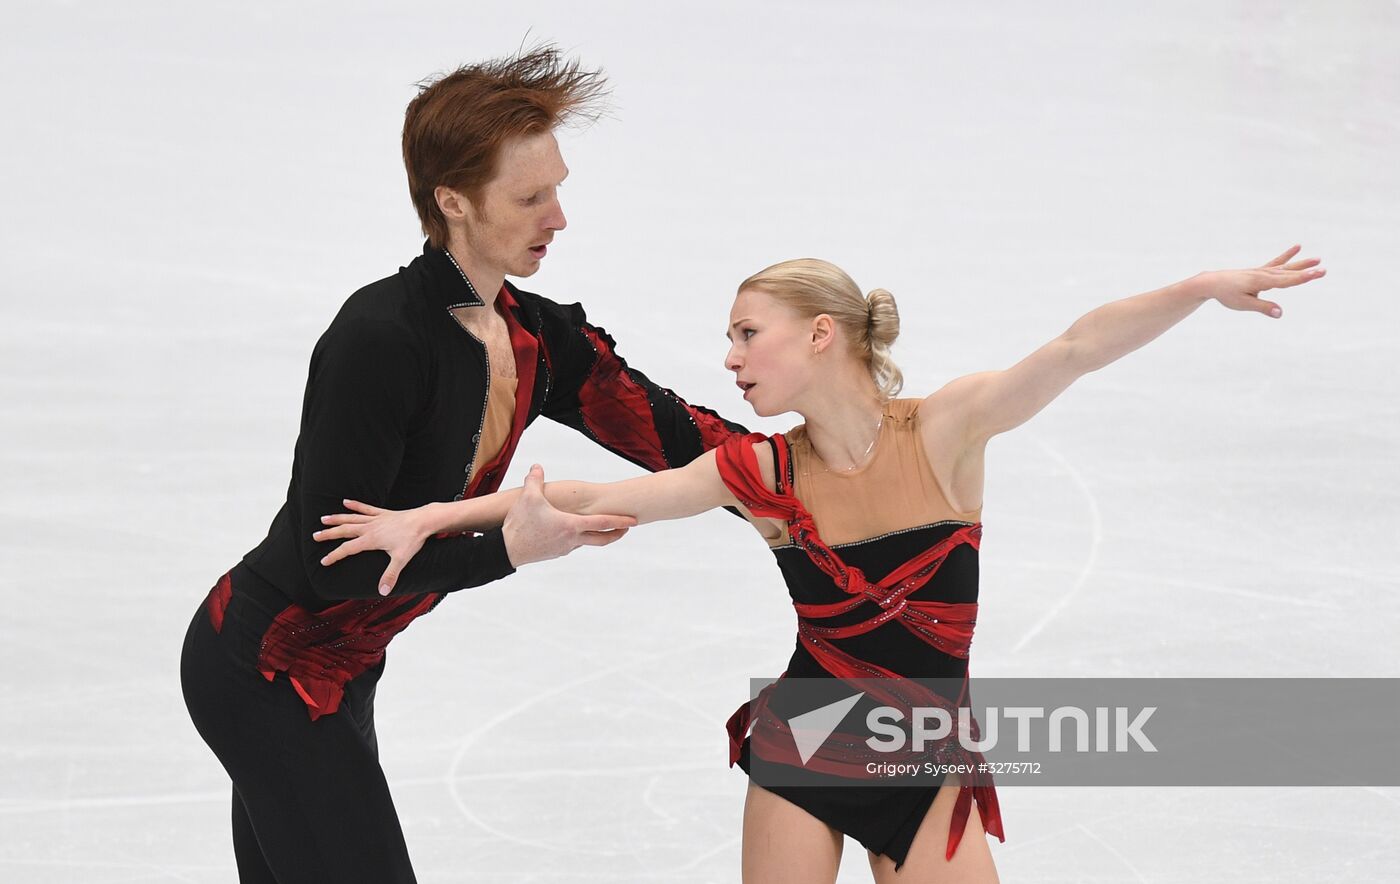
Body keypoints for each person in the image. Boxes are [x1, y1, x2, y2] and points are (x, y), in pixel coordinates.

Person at [315, 248, 1325, 882]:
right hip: (806, 741)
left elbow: (1070, 347)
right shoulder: (758, 468)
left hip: (923, 757)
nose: (730, 357)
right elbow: (588, 495)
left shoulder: (944, 431)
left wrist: (1198, 288)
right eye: (728, 338)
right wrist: (432, 514)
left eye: (746, 334)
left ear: (821, 334)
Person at [179, 46, 746, 883]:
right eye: (529, 197)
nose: (558, 217)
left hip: (342, 672)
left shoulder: (534, 335)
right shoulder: (381, 341)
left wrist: (812, 470)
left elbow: (674, 437)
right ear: (452, 201)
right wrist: (509, 549)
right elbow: (333, 564)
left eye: (558, 188)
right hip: (264, 667)